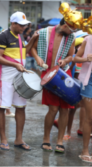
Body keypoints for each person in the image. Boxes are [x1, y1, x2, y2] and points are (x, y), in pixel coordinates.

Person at [0, 12, 38, 151]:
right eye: (21, 25)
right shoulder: (3, 36)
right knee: (2, 106)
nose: (24, 27)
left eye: (25, 25)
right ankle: (3, 139)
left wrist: (33, 39)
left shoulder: (20, 36)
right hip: (5, 76)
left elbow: (23, 51)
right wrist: (15, 65)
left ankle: (19, 139)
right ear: (13, 23)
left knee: (21, 107)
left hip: (19, 76)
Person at [31, 18, 75, 153]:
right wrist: (38, 58)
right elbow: (32, 48)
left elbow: (71, 56)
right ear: (65, 25)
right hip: (49, 74)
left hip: (64, 74)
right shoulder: (43, 32)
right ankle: (46, 139)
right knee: (53, 109)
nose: (72, 31)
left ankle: (60, 141)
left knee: (64, 109)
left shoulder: (71, 36)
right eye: (71, 28)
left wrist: (65, 60)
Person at [74, 29, 92, 163]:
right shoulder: (89, 39)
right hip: (90, 80)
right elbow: (75, 58)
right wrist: (86, 58)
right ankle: (85, 150)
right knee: (90, 117)